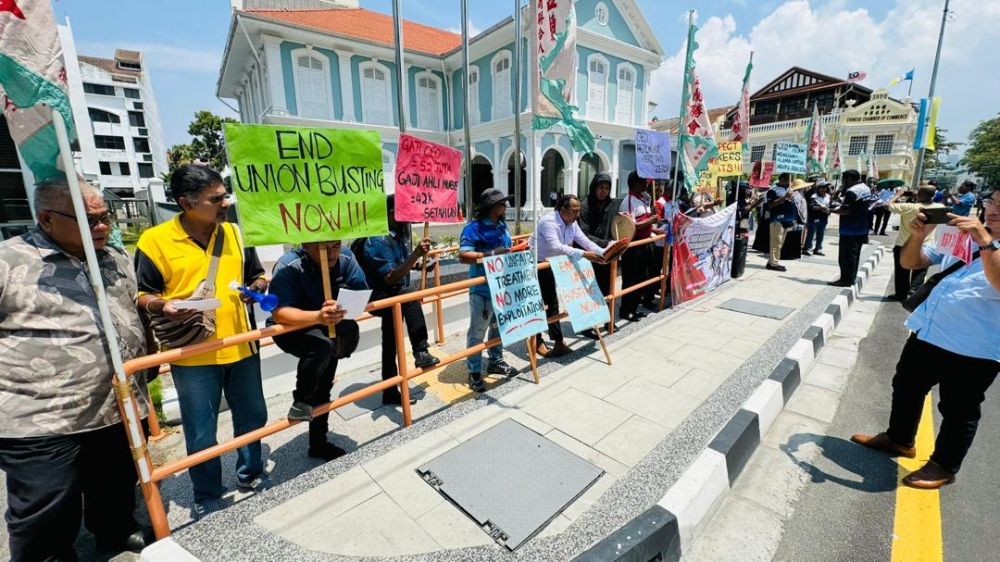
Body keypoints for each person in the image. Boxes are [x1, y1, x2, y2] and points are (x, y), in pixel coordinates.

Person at [0, 177, 151, 560]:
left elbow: (130, 309)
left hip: (115, 404)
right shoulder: (9, 262)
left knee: (115, 482)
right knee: (47, 503)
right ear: (47, 219)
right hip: (40, 416)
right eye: (91, 220)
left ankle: (115, 531)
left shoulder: (113, 258)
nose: (104, 227)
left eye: (106, 217)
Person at [135, 164, 269, 516]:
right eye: (217, 198)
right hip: (191, 354)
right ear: (187, 202)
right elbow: (141, 294)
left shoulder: (236, 234)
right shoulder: (154, 241)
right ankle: (208, 493)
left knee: (253, 415)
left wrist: (255, 288)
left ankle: (251, 472)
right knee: (200, 429)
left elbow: (255, 274)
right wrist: (165, 305)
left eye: (224, 195)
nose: (226, 203)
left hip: (242, 345)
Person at [851, 185, 1000, 489]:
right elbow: (911, 263)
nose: (993, 209)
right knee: (906, 386)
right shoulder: (961, 235)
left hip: (974, 348)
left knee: (959, 410)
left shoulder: (981, 238)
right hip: (929, 332)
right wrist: (919, 234)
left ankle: (943, 466)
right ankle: (899, 438)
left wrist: (985, 241)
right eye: (993, 202)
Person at [268, 240, 368, 461]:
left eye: (335, 246)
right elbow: (279, 313)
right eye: (322, 248)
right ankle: (301, 400)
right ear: (305, 246)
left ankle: (318, 444)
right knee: (321, 347)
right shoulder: (288, 265)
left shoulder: (346, 257)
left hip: (329, 326)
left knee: (324, 387)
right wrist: (317, 316)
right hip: (293, 327)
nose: (331, 253)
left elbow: (360, 291)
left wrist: (341, 307)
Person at [357, 195, 441, 406]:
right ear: (391, 214)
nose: (409, 216)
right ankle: (420, 350)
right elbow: (391, 276)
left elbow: (400, 265)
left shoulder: (399, 235)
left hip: (394, 293)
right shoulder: (377, 239)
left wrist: (420, 266)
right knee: (407, 295)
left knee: (390, 343)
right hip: (378, 297)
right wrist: (415, 255)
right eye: (405, 211)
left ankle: (390, 392)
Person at [529, 194, 606, 357]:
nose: (577, 215)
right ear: (562, 210)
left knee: (552, 302)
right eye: (574, 211)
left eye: (578, 211)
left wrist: (604, 252)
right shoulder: (548, 221)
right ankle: (537, 341)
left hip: (554, 263)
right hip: (537, 263)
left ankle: (558, 341)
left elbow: (584, 241)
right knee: (537, 304)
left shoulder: (572, 222)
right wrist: (584, 255)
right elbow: (556, 246)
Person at [459, 188, 520, 392]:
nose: (505, 207)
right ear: (493, 207)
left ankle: (496, 361)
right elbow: (463, 256)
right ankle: (474, 371)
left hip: (502, 288)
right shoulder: (473, 228)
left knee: (499, 327)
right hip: (482, 290)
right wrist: (492, 253)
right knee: (477, 332)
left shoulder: (502, 226)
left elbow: (506, 250)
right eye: (503, 204)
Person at [885, 185, 944, 301]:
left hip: (904, 244)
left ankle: (900, 294)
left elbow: (887, 205)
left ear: (919, 194)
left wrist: (899, 195)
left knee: (902, 270)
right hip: (926, 245)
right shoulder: (939, 207)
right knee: (920, 270)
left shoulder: (909, 207)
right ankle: (914, 292)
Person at [619, 171, 659, 321]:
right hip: (634, 246)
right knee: (631, 279)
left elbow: (647, 219)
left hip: (645, 244)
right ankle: (626, 309)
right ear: (635, 183)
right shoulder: (629, 200)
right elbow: (629, 225)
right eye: (643, 181)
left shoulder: (643, 199)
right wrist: (650, 220)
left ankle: (634, 307)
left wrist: (651, 217)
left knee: (642, 278)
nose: (646, 184)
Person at [578, 171, 619, 300]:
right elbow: (583, 234)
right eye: (601, 187)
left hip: (607, 253)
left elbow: (615, 227)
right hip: (589, 254)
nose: (604, 191)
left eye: (607, 188)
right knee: (589, 289)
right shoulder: (584, 206)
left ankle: (607, 317)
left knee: (607, 287)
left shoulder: (611, 205)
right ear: (594, 187)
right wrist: (604, 243)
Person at [827, 169, 872, 287]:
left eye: (843, 179)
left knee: (845, 256)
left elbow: (845, 211)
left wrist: (830, 210)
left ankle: (845, 280)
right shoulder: (866, 188)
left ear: (849, 179)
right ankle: (851, 278)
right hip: (861, 227)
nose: (843, 181)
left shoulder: (852, 191)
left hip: (850, 228)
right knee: (855, 254)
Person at [764, 173, 800, 272]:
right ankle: (773, 263)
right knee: (775, 242)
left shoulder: (790, 190)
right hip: (776, 220)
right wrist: (784, 197)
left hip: (786, 221)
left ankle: (772, 260)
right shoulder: (773, 190)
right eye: (789, 180)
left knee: (780, 243)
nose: (791, 182)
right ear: (783, 180)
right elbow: (770, 205)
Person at [802, 181, 832, 256]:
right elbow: (811, 207)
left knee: (821, 234)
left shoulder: (828, 196)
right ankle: (807, 248)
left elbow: (830, 205)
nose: (824, 189)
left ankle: (818, 249)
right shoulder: (813, 196)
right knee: (811, 234)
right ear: (818, 188)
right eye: (823, 188)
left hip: (824, 218)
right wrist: (822, 208)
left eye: (826, 188)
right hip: (814, 218)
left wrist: (830, 209)